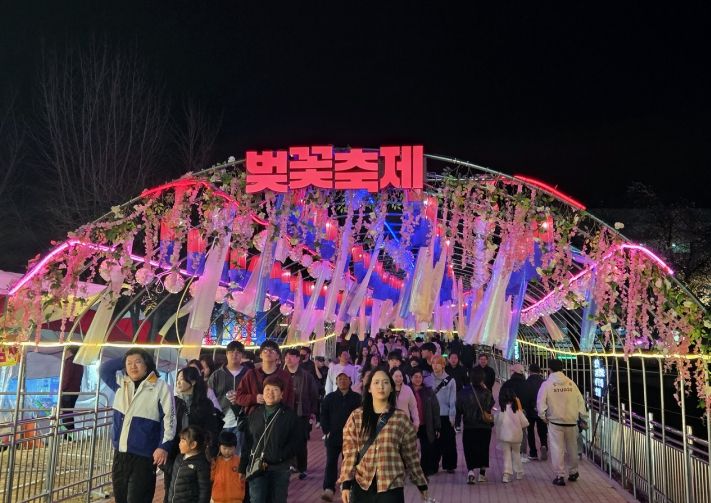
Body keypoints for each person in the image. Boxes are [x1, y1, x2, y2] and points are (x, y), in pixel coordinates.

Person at [338, 369, 431, 502]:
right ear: (369, 388)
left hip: (391, 486)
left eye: (385, 382)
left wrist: (422, 485)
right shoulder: (356, 417)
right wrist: (346, 484)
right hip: (362, 486)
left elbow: (411, 455)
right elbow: (349, 453)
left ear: (392, 388)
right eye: (376, 382)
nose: (381, 386)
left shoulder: (401, 419)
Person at [99, 349, 175, 503]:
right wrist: (127, 356)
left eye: (138, 362)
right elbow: (104, 369)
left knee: (138, 498)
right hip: (121, 453)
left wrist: (164, 446)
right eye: (129, 363)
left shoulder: (160, 387)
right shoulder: (121, 383)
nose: (133, 367)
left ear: (147, 364)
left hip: (144, 456)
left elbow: (169, 418)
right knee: (121, 498)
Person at [239, 375, 301, 503]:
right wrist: (242, 467)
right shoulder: (255, 414)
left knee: (278, 500)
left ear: (282, 394)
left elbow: (297, 442)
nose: (270, 393)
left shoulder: (289, 416)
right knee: (257, 499)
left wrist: (280, 456)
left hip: (280, 468)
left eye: (275, 390)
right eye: (267, 389)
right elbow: (248, 443)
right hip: (257, 467)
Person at [165, 366, 224, 500]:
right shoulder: (174, 402)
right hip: (175, 454)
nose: (178, 382)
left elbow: (211, 430)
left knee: (195, 491)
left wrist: (210, 453)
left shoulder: (205, 404)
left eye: (182, 379)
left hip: (197, 455)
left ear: (192, 382)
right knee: (171, 489)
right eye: (177, 379)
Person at [537, 358, 588, 486]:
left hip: (555, 422)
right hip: (571, 421)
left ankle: (560, 476)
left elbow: (540, 403)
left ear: (549, 369)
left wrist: (543, 417)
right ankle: (573, 472)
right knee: (572, 448)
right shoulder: (571, 383)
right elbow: (580, 401)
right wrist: (583, 417)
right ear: (562, 368)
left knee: (557, 449)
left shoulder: (547, 385)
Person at [320, 371, 361, 502]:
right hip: (333, 437)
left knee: (349, 463)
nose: (342, 381)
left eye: (345, 379)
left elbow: (360, 416)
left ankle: (346, 486)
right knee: (331, 463)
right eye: (339, 379)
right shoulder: (329, 398)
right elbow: (323, 415)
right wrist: (326, 431)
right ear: (336, 382)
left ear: (350, 381)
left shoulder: (357, 398)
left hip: (351, 438)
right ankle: (329, 488)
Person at [283, 347, 319, 479]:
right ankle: (292, 465)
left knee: (301, 440)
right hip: (285, 413)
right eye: (286, 357)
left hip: (302, 413)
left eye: (292, 356)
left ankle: (302, 467)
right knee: (287, 439)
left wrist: (313, 412)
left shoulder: (306, 375)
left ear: (298, 359)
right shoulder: (281, 375)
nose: (288, 359)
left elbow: (314, 394)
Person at [235, 339, 295, 417]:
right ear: (260, 355)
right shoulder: (251, 374)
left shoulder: (285, 376)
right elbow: (239, 397)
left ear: (277, 355)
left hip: (278, 418)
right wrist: (254, 398)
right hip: (254, 418)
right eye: (265, 350)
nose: (268, 352)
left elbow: (290, 400)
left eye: (272, 350)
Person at [456, 367, 494, 484]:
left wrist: (457, 423)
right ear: (482, 378)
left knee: (469, 448)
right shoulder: (486, 392)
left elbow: (459, 409)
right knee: (483, 448)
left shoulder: (463, 392)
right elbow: (490, 405)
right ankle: (482, 474)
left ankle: (471, 472)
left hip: (469, 425)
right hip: (484, 426)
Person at [208, 341, 250, 441]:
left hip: (242, 419)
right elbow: (209, 396)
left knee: (239, 448)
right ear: (226, 354)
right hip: (221, 420)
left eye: (238, 352)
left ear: (242, 355)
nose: (234, 355)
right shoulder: (217, 374)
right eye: (231, 352)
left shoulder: (249, 373)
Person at [428, 355, 457, 473]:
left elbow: (452, 400)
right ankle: (432, 465)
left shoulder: (450, 381)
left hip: (445, 415)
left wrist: (452, 416)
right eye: (433, 363)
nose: (435, 366)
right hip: (432, 416)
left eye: (438, 363)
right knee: (433, 442)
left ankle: (449, 465)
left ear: (443, 365)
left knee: (448, 441)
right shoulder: (427, 380)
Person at [167, 425, 211, 503]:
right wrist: (162, 464)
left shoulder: (201, 464)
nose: (179, 444)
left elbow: (204, 490)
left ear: (193, 444)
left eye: (182, 441)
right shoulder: (179, 457)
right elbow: (173, 471)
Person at [410, 368, 441, 477]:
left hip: (425, 424)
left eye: (420, 377)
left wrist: (437, 426)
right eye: (415, 377)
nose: (418, 379)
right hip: (411, 425)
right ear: (411, 378)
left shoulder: (428, 391)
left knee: (427, 448)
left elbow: (435, 408)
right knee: (411, 449)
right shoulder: (407, 390)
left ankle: (425, 469)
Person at [495, 388, 530, 483]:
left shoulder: (501, 411)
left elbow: (497, 422)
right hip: (516, 437)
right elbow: (525, 423)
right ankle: (519, 472)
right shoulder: (517, 411)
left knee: (506, 455)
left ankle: (506, 474)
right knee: (516, 454)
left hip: (504, 437)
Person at [500, 363, 530, 461]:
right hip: (522, 411)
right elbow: (529, 398)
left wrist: (503, 408)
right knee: (522, 432)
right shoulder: (526, 384)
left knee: (509, 431)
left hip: (509, 410)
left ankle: (510, 452)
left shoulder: (507, 384)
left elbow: (501, 397)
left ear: (514, 372)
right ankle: (521, 454)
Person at [521, 363, 548, 460]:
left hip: (529, 410)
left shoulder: (526, 382)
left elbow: (524, 397)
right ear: (539, 371)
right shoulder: (544, 382)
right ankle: (544, 445)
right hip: (541, 409)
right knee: (542, 430)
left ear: (530, 371)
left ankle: (533, 453)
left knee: (530, 431)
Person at [211, 431, 246, 503]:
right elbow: (211, 477)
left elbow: (243, 478)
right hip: (218, 499)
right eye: (224, 448)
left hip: (236, 499)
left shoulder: (239, 461)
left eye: (230, 449)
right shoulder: (215, 461)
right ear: (219, 447)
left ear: (235, 448)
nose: (227, 451)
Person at [60, 346, 84, 434]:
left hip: (68, 391)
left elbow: (67, 378)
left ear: (70, 351)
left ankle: (68, 435)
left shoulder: (70, 361)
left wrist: (61, 389)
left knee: (66, 414)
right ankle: (70, 434)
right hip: (75, 390)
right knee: (69, 413)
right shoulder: (79, 362)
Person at [445, 352, 467, 432]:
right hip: (447, 392)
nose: (453, 360)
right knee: (447, 408)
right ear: (448, 359)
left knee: (458, 409)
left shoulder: (462, 369)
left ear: (458, 359)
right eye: (452, 358)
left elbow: (465, 382)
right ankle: (448, 424)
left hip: (458, 392)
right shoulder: (445, 369)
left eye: (455, 358)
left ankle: (457, 424)